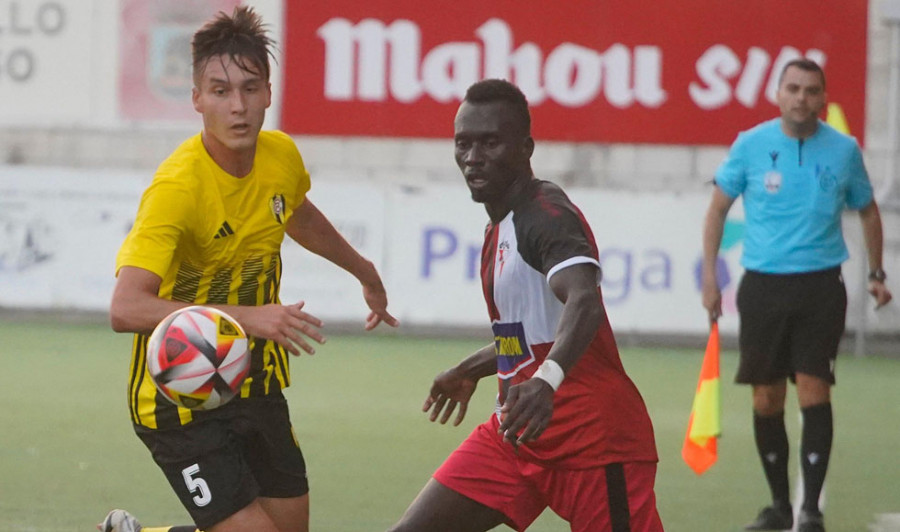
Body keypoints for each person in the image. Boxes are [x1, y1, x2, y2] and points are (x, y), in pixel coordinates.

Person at [100, 6, 398, 532]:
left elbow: (298, 215)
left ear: (267, 92)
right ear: (196, 99)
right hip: (178, 394)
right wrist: (249, 319)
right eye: (219, 91)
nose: (237, 107)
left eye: (250, 88)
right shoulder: (177, 189)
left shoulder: (280, 154)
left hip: (256, 381)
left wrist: (364, 271)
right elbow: (126, 308)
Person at [387, 79, 663, 532]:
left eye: (490, 143)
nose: (473, 157)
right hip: (518, 435)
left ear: (525, 147)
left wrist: (547, 382)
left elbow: (585, 298)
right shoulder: (500, 229)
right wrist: (470, 369)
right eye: (463, 144)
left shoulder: (546, 215)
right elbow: (529, 337)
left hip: (593, 441)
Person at [701, 58, 892, 532]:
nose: (802, 98)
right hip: (762, 286)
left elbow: (868, 211)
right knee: (766, 398)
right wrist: (710, 275)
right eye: (793, 88)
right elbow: (717, 210)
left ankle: (810, 511)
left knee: (813, 390)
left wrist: (877, 272)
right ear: (779, 94)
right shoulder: (750, 145)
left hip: (820, 286)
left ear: (823, 98)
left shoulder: (843, 150)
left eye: (811, 90)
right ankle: (779, 506)